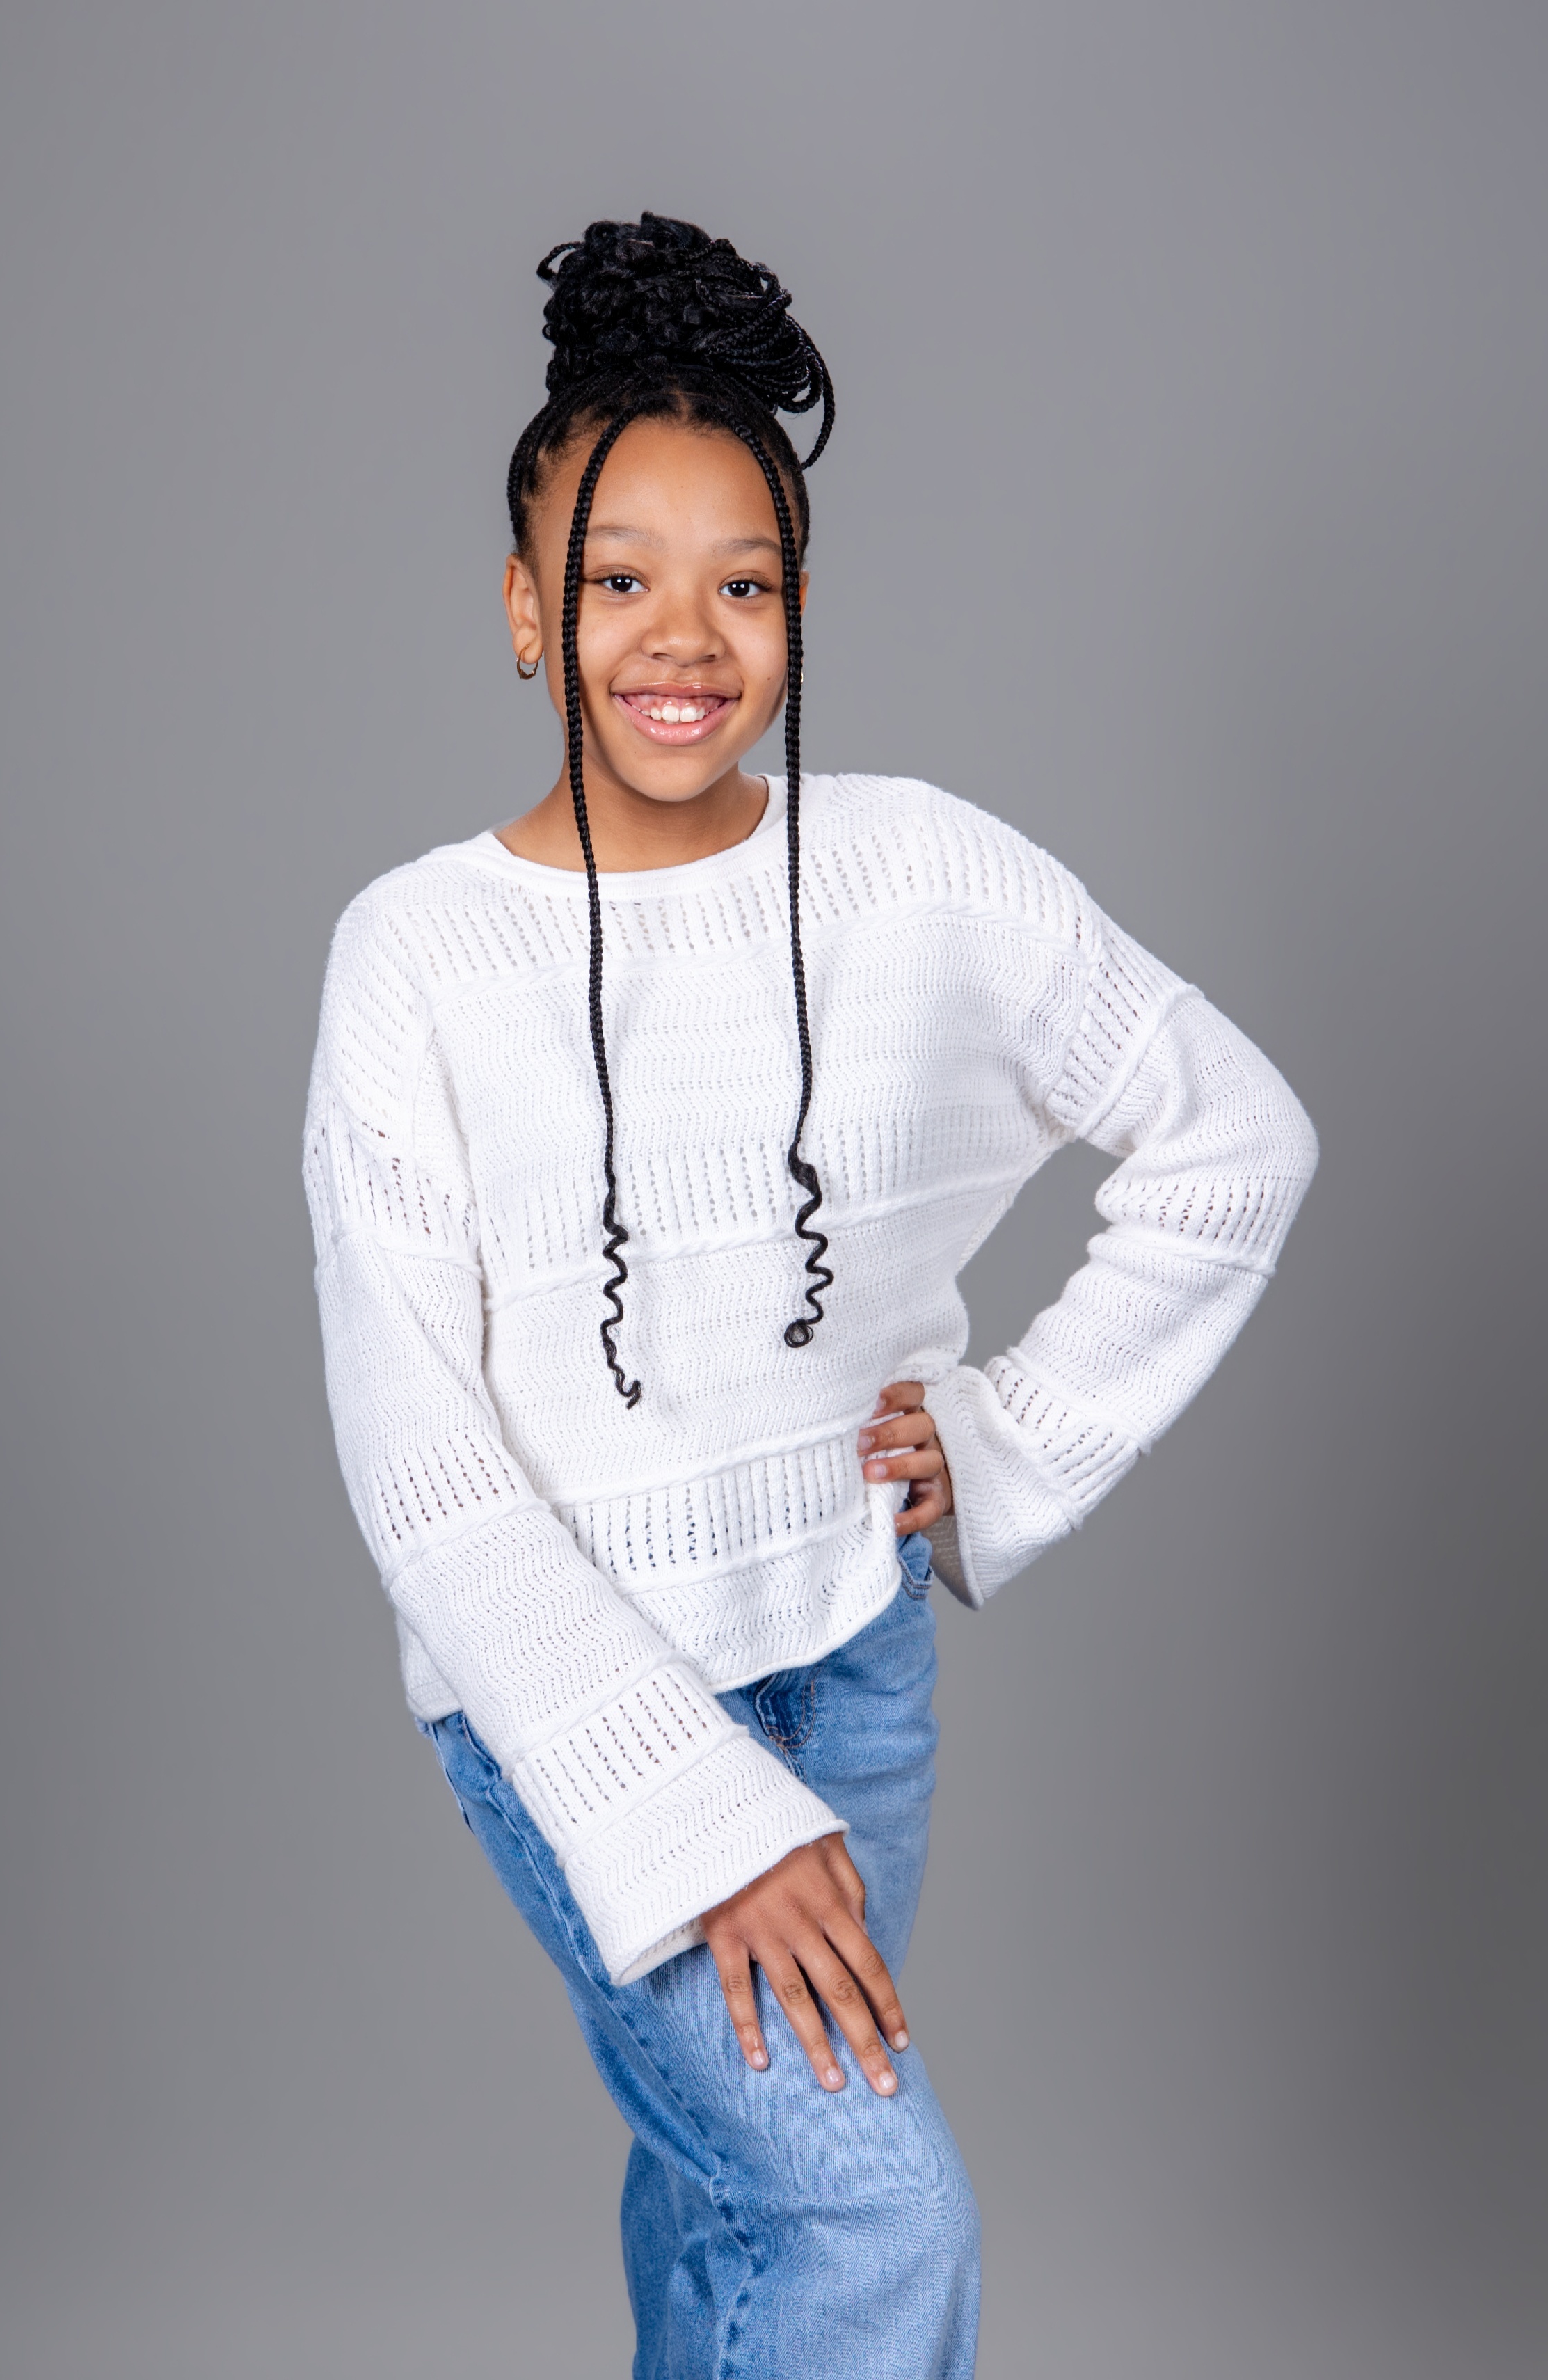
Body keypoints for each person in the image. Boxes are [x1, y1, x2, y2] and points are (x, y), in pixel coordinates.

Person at [303, 212, 1318, 2379]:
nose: (684, 636)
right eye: (617, 578)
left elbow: (1234, 1135)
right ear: (523, 607)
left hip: (851, 1657)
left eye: (744, 583)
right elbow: (424, 1476)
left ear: (798, 608)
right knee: (870, 2213)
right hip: (573, 1698)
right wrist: (700, 1821)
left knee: (733, 2204)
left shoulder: (918, 871)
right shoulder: (417, 958)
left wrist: (1008, 1436)